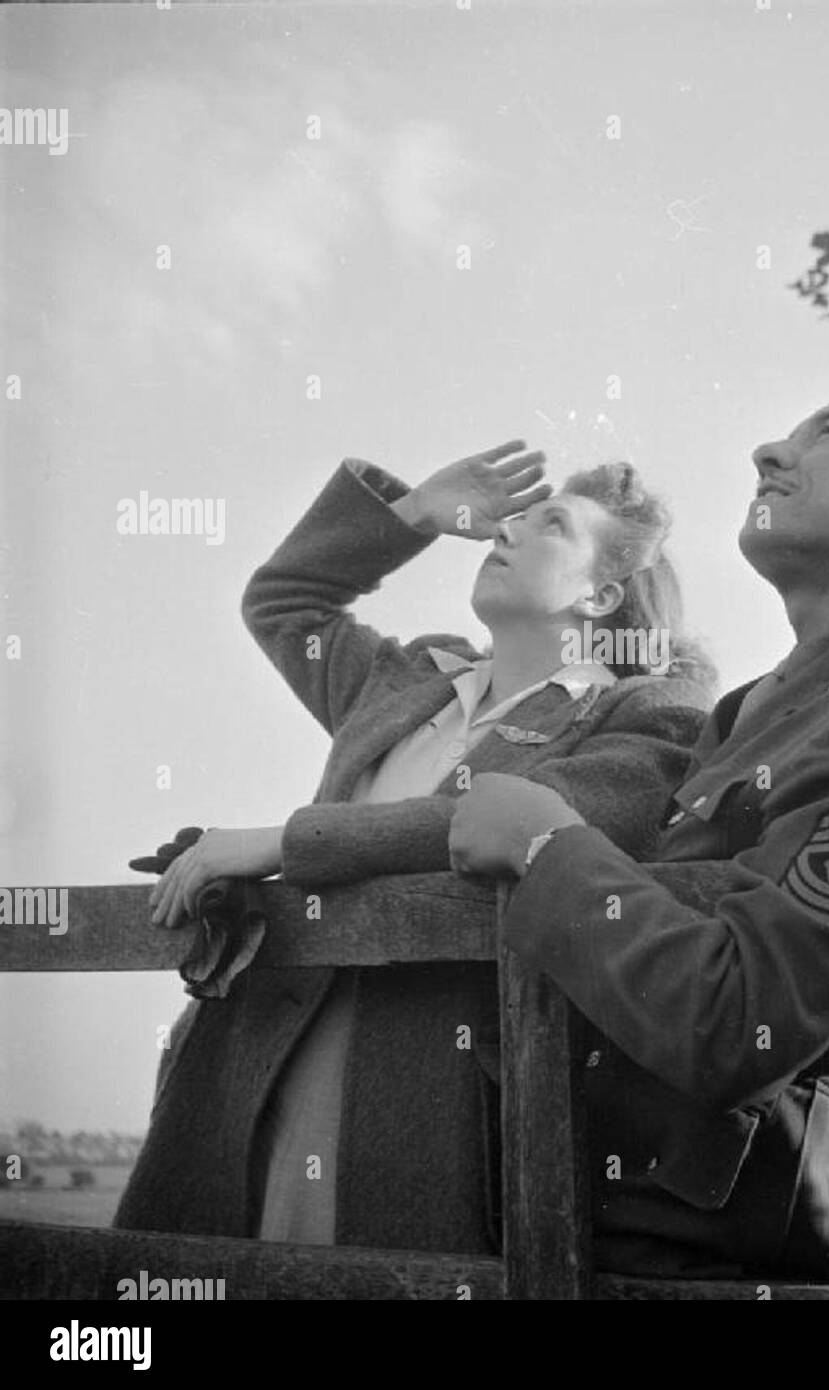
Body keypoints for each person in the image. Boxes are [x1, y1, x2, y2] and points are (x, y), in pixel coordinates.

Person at [450, 382, 829, 1286]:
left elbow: (739, 1025)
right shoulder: (747, 711)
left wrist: (542, 846)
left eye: (827, 434)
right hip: (626, 1231)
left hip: (760, 1257)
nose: (766, 452)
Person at [114, 441, 713, 1252]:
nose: (509, 528)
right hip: (259, 1046)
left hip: (431, 1079)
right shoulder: (406, 682)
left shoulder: (649, 715)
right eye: (515, 514)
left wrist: (284, 842)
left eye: (551, 526)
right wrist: (413, 517)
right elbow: (285, 603)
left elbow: (522, 818)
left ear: (601, 595)